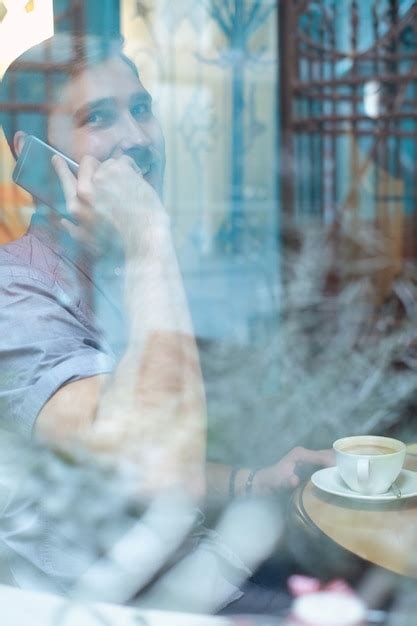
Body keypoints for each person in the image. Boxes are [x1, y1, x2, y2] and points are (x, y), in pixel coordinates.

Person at [0, 33, 332, 603]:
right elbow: (155, 466)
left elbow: (122, 456)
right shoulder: (15, 296)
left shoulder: (119, 270)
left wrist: (253, 482)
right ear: (36, 156)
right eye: (99, 117)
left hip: (199, 570)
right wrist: (150, 238)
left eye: (142, 108)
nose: (137, 138)